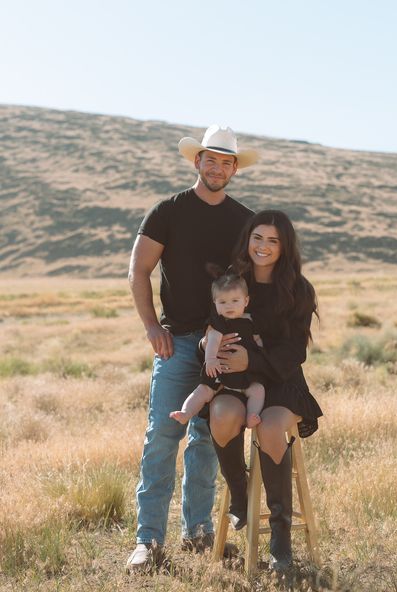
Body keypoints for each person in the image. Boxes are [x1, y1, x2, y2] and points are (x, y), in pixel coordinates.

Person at [126, 125, 259, 572]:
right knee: (163, 437)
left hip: (225, 344)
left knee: (206, 438)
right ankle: (148, 541)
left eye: (227, 162)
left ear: (235, 169)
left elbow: (258, 282)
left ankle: (198, 530)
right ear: (196, 161)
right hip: (177, 342)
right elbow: (138, 270)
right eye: (211, 159)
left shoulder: (245, 219)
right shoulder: (168, 211)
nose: (218, 167)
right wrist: (151, 327)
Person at [207, 210, 323, 570]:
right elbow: (212, 326)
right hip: (236, 381)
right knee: (223, 414)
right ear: (248, 239)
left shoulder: (299, 290)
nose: (264, 246)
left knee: (271, 428)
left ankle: (280, 539)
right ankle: (241, 499)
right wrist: (213, 351)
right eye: (258, 237)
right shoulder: (233, 281)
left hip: (282, 381)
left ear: (284, 246)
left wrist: (251, 363)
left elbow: (294, 353)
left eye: (273, 240)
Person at [169, 272, 265, 429]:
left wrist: (260, 353)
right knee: (203, 391)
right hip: (219, 372)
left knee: (258, 390)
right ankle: (186, 413)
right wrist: (211, 359)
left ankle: (251, 416)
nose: (229, 306)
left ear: (246, 301)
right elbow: (212, 342)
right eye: (223, 302)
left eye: (235, 300)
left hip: (244, 374)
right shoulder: (218, 324)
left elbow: (257, 340)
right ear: (215, 303)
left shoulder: (250, 321)